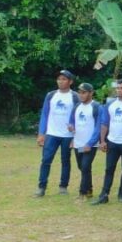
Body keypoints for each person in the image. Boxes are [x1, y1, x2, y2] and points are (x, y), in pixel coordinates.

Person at [92, 79, 122, 204]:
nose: (119, 90)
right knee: (109, 169)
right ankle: (104, 195)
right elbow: (104, 124)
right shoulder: (110, 104)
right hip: (112, 141)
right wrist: (102, 141)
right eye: (118, 88)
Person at [35, 69, 79, 197]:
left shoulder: (75, 96)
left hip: (67, 135)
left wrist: (75, 135)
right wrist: (41, 133)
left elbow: (77, 116)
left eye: (64, 79)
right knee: (46, 160)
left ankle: (63, 186)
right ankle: (41, 187)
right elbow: (45, 114)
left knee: (65, 161)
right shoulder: (51, 95)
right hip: (52, 134)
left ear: (70, 82)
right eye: (59, 79)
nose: (61, 81)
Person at [68, 82, 101, 199]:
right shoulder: (76, 107)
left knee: (86, 166)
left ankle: (82, 193)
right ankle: (89, 190)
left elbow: (98, 128)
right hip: (78, 143)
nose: (81, 95)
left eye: (84, 92)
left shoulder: (96, 107)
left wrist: (90, 143)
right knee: (82, 167)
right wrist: (71, 126)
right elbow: (71, 120)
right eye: (80, 92)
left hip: (90, 144)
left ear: (91, 93)